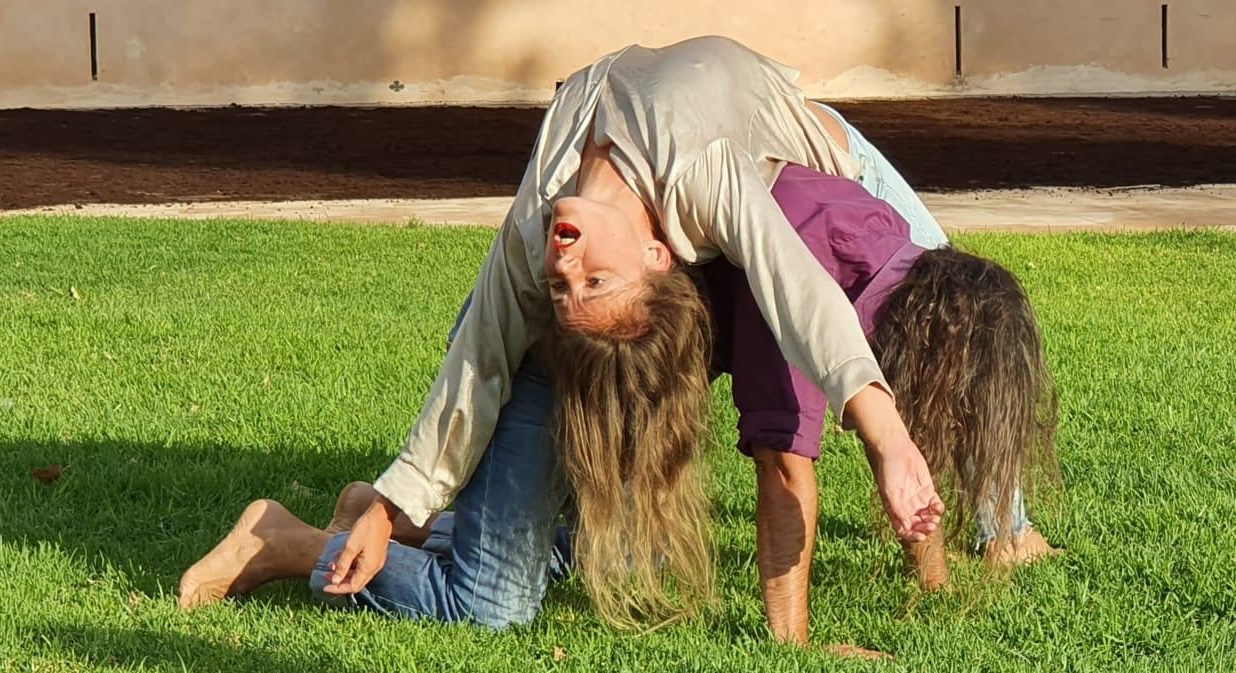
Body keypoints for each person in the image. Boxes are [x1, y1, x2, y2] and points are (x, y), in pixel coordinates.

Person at [179, 35, 950, 630]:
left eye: (577, 283)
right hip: (566, 352)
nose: (565, 263)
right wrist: (389, 506)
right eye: (579, 283)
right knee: (490, 607)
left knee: (626, 555)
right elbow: (477, 364)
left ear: (664, 253)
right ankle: (283, 542)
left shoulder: (634, 200)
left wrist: (889, 439)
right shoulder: (610, 207)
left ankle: (414, 524)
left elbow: (798, 293)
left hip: (618, 344)